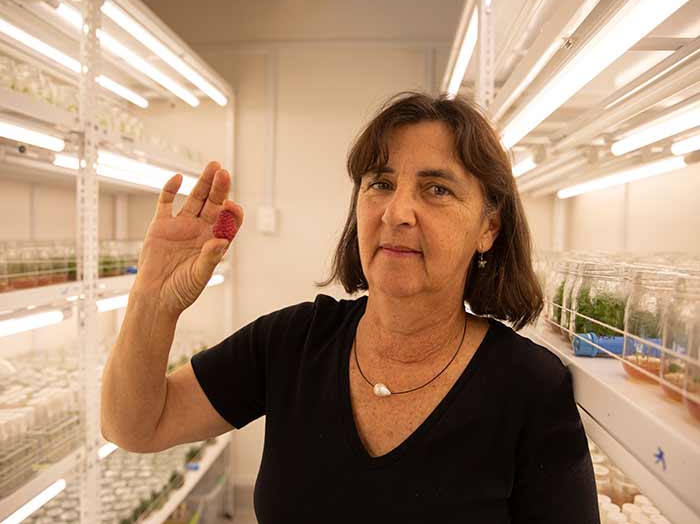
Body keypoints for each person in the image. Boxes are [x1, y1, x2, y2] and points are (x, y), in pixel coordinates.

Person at [101, 92, 599, 523]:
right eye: (380, 183)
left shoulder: (529, 387)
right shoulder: (294, 342)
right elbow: (137, 426)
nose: (396, 213)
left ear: (488, 228)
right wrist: (152, 301)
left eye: (437, 189)